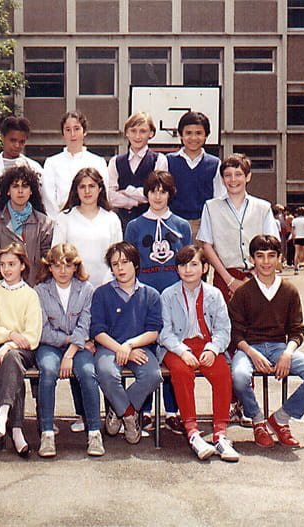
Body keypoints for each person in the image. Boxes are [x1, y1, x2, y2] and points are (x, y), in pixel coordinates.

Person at [229, 234, 304, 448]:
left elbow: (297, 330)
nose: (266, 262)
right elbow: (235, 334)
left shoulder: (289, 291)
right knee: (239, 376)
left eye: (271, 256)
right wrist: (252, 353)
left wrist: (287, 353)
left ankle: (280, 419)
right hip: (249, 348)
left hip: (279, 348)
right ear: (252, 259)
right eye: (260, 256)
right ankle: (258, 421)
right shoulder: (242, 292)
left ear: (279, 258)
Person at [124, 170, 192, 434]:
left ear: (170, 194)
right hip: (145, 297)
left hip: (174, 296)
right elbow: (129, 263)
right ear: (147, 194)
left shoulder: (182, 225)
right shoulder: (135, 226)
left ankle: (172, 411)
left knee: (173, 350)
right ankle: (145, 410)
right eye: (153, 191)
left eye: (163, 191)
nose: (158, 196)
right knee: (147, 351)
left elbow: (189, 262)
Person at [159, 245, 238, 461]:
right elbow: (164, 332)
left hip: (206, 345)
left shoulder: (215, 294)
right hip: (177, 347)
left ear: (204, 268)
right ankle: (192, 432)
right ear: (177, 269)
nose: (188, 270)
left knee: (222, 372)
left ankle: (220, 434)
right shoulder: (168, 295)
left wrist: (213, 349)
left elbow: (223, 330)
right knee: (181, 373)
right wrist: (182, 351)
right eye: (183, 265)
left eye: (194, 264)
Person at [34, 243, 102, 457]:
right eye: (57, 265)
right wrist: (67, 340)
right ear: (49, 268)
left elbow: (85, 325)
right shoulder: (40, 291)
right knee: (47, 372)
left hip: (78, 348)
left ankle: (94, 432)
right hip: (50, 346)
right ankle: (46, 432)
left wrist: (70, 353)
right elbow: (42, 330)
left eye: (68, 265)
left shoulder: (87, 290)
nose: (62, 271)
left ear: (76, 267)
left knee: (88, 373)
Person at [91, 241, 162, 445]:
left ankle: (117, 408)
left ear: (136, 264)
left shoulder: (150, 294)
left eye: (125, 262)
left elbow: (153, 331)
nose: (120, 268)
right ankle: (130, 415)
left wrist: (129, 346)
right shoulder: (102, 294)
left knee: (153, 375)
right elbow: (97, 331)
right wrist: (121, 349)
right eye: (115, 264)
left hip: (139, 347)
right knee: (106, 373)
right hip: (109, 347)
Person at [0, 243, 42, 457]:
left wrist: (9, 344)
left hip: (21, 351)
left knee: (13, 359)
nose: (6, 269)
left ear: (22, 266)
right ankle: (16, 431)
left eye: (11, 264)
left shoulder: (30, 295)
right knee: (12, 367)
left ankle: (2, 416)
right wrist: (10, 335)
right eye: (2, 265)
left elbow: (32, 335)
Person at [196, 153, 280, 301]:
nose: (233, 180)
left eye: (238, 174)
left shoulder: (263, 207)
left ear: (248, 177)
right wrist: (230, 281)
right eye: (228, 175)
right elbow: (207, 246)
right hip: (224, 276)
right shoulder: (211, 207)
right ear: (222, 179)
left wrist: (251, 277)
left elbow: (273, 245)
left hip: (259, 275)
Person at [52, 167, 122, 287]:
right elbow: (57, 255)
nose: (87, 191)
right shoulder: (64, 218)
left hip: (105, 286)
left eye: (92, 186)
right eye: (82, 187)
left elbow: (117, 257)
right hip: (73, 286)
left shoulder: (111, 219)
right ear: (76, 190)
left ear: (100, 189)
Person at [0, 165, 53, 286]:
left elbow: (47, 263)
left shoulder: (45, 224)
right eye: (15, 186)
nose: (20, 191)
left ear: (31, 190)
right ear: (8, 191)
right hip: (3, 288)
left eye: (25, 186)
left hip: (35, 288)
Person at [107, 111, 169, 230]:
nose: (137, 136)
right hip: (122, 223)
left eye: (143, 131)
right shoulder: (115, 161)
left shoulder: (159, 160)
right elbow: (110, 197)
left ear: (151, 133)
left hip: (151, 223)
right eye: (133, 131)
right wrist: (135, 202)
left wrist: (127, 191)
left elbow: (156, 194)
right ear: (126, 132)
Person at [165, 111, 224, 236]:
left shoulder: (214, 164)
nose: (193, 138)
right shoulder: (168, 161)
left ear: (206, 135)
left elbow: (219, 198)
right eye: (188, 133)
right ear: (180, 135)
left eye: (198, 133)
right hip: (173, 224)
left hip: (204, 225)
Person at [41, 111, 108, 218]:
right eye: (68, 130)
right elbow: (48, 198)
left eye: (76, 129)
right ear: (63, 133)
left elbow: (104, 194)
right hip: (61, 219)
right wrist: (59, 221)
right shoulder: (52, 162)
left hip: (92, 218)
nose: (72, 134)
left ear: (84, 131)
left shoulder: (98, 162)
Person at [0, 116, 44, 212]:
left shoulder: (34, 168)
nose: (17, 145)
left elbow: (41, 199)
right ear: (3, 137)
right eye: (13, 140)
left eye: (22, 142)